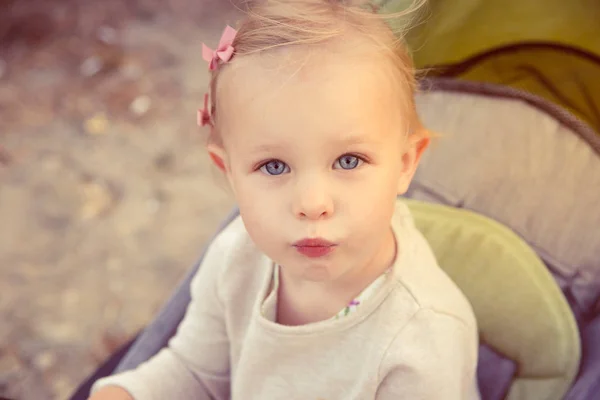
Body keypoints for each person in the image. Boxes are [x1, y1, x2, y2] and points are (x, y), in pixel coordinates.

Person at [89, 0, 480, 398]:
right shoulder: (237, 257)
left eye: (348, 160)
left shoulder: (423, 341)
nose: (312, 203)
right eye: (274, 166)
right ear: (229, 173)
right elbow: (195, 371)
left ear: (404, 164)